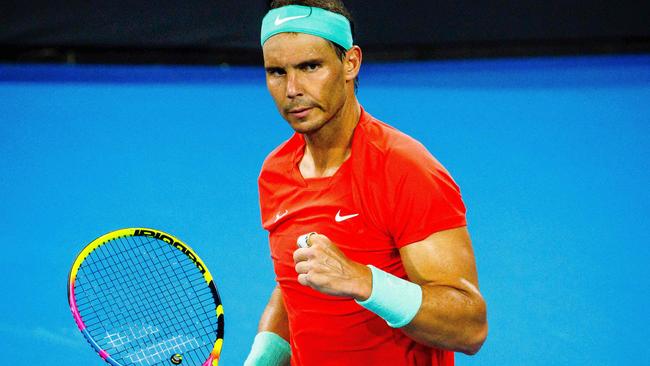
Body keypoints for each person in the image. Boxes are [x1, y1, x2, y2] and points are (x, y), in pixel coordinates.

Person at [245, 1, 487, 365]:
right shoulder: (274, 172)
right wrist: (264, 357)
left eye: (310, 66)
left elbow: (469, 327)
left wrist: (362, 281)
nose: (292, 88)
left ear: (350, 63)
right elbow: (296, 285)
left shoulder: (405, 169)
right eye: (276, 72)